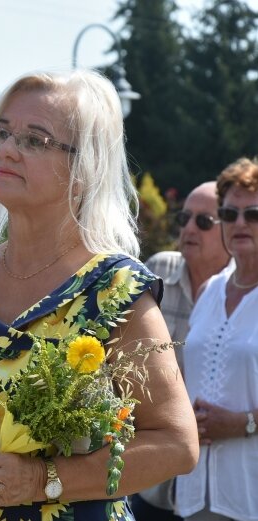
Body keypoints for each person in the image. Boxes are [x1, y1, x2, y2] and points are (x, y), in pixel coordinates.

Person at [0, 69, 198, 521]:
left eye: (34, 140)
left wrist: (40, 479)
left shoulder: (115, 289)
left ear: (85, 169)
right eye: (0, 133)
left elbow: (175, 445)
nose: (5, 149)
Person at [132, 181, 230, 521]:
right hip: (151, 477)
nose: (188, 228)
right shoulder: (158, 271)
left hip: (219, 478)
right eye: (184, 218)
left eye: (203, 222)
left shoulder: (244, 295)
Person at [175, 157, 258, 521]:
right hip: (193, 490)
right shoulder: (210, 291)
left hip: (249, 491)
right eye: (229, 213)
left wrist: (244, 423)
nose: (240, 223)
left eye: (253, 214)